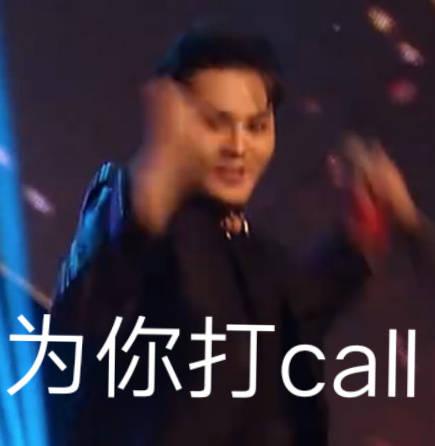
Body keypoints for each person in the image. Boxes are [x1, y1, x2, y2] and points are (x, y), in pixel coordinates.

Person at [48, 27, 429, 446]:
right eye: (216, 123)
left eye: (256, 126)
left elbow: (296, 306)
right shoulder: (129, 211)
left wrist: (363, 230)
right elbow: (80, 320)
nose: (238, 146)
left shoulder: (246, 249)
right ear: (174, 121)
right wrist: (152, 187)